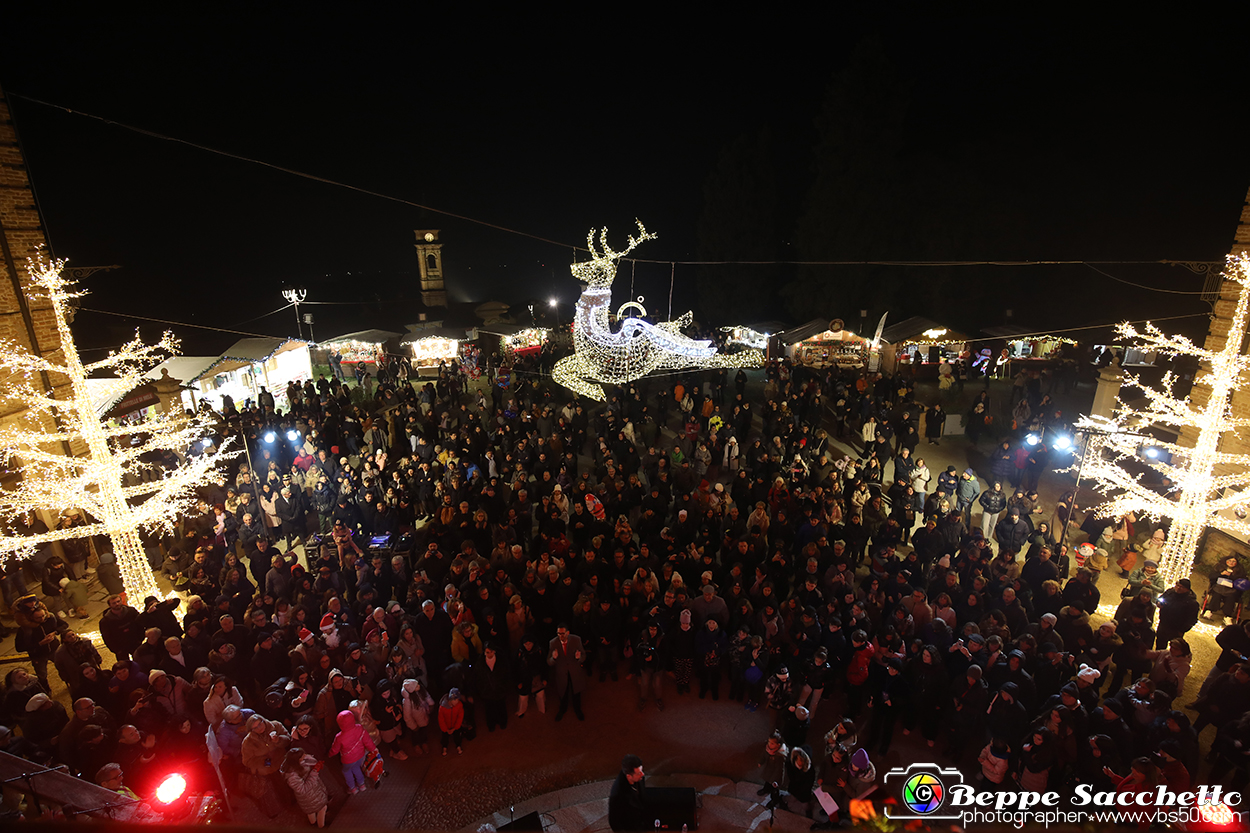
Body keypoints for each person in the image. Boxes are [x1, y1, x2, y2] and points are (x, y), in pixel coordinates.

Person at [548, 623, 587, 721]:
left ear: (568, 633)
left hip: (574, 671)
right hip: (562, 673)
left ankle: (577, 709)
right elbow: (549, 661)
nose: (561, 636)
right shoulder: (553, 643)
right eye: (558, 633)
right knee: (563, 692)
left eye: (562, 633)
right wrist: (554, 658)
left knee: (576, 692)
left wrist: (579, 658)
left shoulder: (576, 639)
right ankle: (562, 709)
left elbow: (583, 655)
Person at [281, 747, 329, 827]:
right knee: (322, 808)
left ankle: (313, 823)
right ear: (297, 759)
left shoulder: (297, 763)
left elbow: (314, 761)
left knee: (310, 811)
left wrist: (306, 757)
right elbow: (303, 789)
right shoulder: (292, 775)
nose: (305, 756)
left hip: (311, 794)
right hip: (310, 796)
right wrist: (314, 772)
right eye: (303, 756)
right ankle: (321, 826)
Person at [608, 753, 651, 831]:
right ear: (629, 776)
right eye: (639, 773)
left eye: (641, 771)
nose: (643, 774)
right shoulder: (618, 794)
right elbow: (614, 822)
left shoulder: (639, 778)